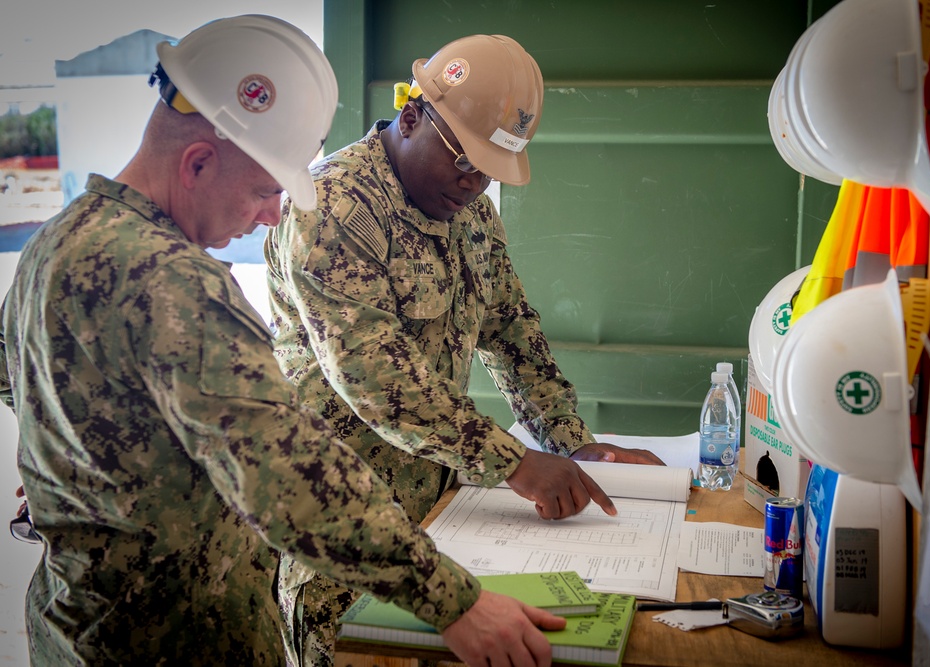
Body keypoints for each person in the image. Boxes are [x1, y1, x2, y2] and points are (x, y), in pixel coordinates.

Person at [0, 16, 570, 666]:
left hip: (77, 626)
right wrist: (455, 600)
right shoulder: (176, 283)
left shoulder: (58, 239)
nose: (273, 215)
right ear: (198, 162)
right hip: (180, 634)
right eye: (267, 189)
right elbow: (294, 477)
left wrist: (67, 461)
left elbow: (16, 371)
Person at [264, 33, 665, 660]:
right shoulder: (334, 208)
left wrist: (567, 437)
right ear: (412, 114)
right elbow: (375, 379)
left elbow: (511, 329)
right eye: (463, 160)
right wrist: (515, 462)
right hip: (343, 532)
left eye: (489, 169)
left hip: (441, 520)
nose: (475, 183)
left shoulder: (467, 210)